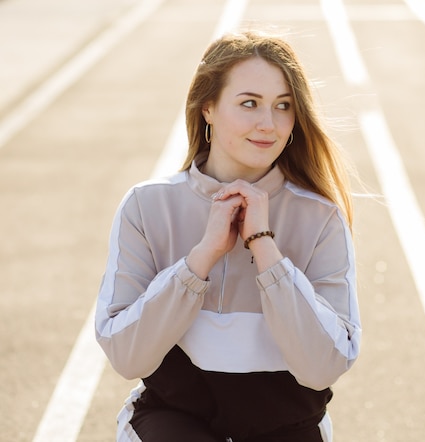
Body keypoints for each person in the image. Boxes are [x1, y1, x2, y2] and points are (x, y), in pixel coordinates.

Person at [95, 31, 361, 442]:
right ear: (208, 108)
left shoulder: (320, 217)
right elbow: (127, 355)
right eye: (249, 103)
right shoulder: (146, 207)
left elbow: (323, 366)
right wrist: (200, 258)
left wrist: (266, 249)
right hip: (174, 420)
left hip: (287, 425)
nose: (268, 124)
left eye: (283, 106)